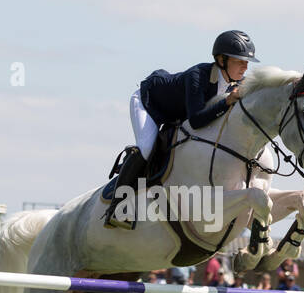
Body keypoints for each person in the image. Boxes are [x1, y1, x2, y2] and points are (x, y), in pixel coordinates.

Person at [106, 30, 259, 228]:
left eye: (246, 62)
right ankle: (118, 207)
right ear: (221, 60)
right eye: (240, 61)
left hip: (177, 115)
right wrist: (227, 102)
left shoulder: (237, 83)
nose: (245, 67)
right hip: (150, 103)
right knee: (146, 148)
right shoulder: (198, 76)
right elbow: (195, 121)